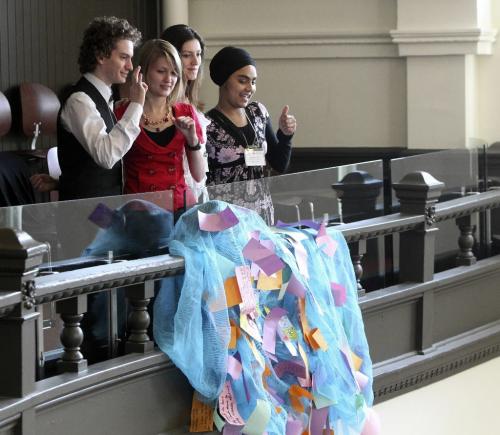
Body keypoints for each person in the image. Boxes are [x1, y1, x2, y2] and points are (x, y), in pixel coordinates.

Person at [57, 16, 147, 201]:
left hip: (101, 210)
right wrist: (136, 105)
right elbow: (106, 156)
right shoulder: (79, 100)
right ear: (100, 56)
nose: (130, 66)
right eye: (123, 57)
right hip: (83, 216)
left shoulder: (105, 98)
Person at [205, 46, 297, 224]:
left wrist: (286, 136)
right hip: (226, 221)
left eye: (253, 81)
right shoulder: (207, 125)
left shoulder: (258, 113)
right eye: (242, 80)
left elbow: (279, 164)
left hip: (262, 216)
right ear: (224, 80)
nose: (250, 88)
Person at [114, 39, 205, 211]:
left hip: (180, 208)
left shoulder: (186, 111)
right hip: (141, 213)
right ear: (142, 72)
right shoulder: (122, 113)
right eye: (161, 71)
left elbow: (198, 175)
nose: (168, 79)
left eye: (173, 73)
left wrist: (193, 140)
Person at [160, 24, 210, 203]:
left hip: (197, 188)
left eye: (198, 54)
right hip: (174, 192)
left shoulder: (190, 102)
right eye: (187, 55)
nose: (195, 62)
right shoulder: (163, 103)